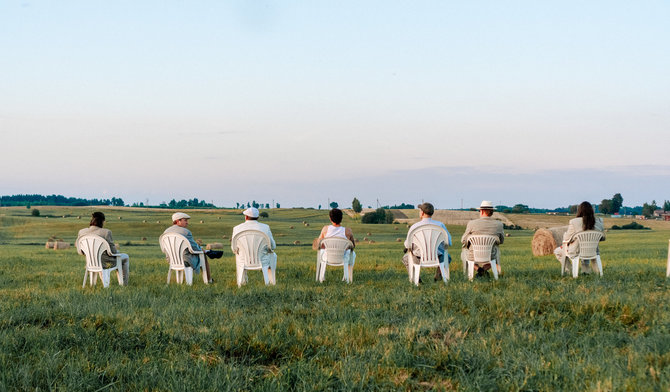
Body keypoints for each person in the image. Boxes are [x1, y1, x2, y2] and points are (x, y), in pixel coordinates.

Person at [76, 211, 130, 285]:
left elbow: (79, 250)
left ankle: (99, 283)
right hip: (105, 262)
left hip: (90, 262)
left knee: (101, 258)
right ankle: (123, 284)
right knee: (125, 257)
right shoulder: (106, 232)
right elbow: (113, 252)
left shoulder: (82, 232)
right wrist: (117, 252)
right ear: (102, 221)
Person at [402, 202, 452, 281]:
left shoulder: (415, 227)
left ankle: (417, 279)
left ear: (422, 213)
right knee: (447, 257)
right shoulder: (440, 225)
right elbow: (449, 242)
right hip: (437, 257)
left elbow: (407, 245)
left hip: (419, 258)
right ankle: (438, 276)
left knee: (405, 258)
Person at [554, 201, 605, 273]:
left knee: (557, 251)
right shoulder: (599, 221)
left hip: (577, 251)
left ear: (579, 210)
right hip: (593, 250)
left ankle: (570, 270)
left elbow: (567, 239)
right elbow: (603, 238)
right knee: (584, 247)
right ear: (592, 210)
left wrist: (566, 234)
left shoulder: (574, 222)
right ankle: (586, 271)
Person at [163, 212, 213, 283]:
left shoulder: (166, 232)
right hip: (185, 260)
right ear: (178, 221)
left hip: (172, 260)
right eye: (185, 220)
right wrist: (202, 250)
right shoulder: (186, 232)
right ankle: (208, 280)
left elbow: (164, 249)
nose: (187, 223)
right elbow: (194, 248)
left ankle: (179, 281)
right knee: (203, 256)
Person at [231, 207, 277, 284]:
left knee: (238, 255)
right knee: (273, 255)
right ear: (258, 217)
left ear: (246, 217)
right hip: (262, 260)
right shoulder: (265, 227)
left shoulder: (236, 228)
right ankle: (271, 282)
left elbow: (234, 249)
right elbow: (273, 246)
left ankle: (242, 282)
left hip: (243, 260)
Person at [461, 200, 505, 277]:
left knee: (464, 253)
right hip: (491, 255)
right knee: (496, 253)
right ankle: (484, 271)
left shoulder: (472, 223)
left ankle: (479, 270)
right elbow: (501, 241)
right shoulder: (499, 224)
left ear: (481, 211)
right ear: (492, 212)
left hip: (473, 255)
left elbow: (463, 240)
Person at [313, 208, 356, 282]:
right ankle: (347, 277)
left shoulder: (325, 229)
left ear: (330, 218)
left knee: (322, 251)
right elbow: (352, 246)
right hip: (342, 257)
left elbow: (319, 244)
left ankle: (321, 277)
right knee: (353, 254)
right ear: (341, 218)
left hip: (327, 257)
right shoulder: (348, 231)